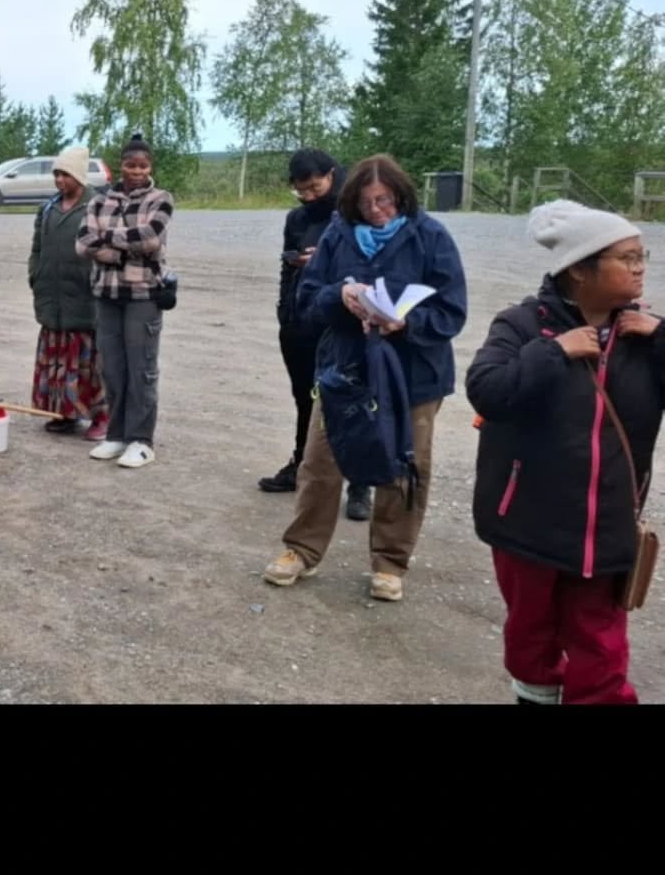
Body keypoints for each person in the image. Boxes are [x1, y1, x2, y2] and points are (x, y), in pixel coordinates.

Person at [467, 200, 661, 704]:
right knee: (532, 639)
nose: (641, 268)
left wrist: (663, 339)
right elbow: (487, 390)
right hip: (528, 524)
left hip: (608, 528)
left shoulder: (645, 337)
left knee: (602, 648)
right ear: (579, 268)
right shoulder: (522, 325)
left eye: (642, 256)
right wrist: (554, 352)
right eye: (627, 258)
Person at [262, 154, 468, 601]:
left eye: (385, 200)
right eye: (367, 201)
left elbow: (452, 311)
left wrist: (405, 323)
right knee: (320, 462)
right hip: (344, 368)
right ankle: (301, 549)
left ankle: (390, 562)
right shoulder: (339, 233)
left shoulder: (430, 235)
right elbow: (310, 299)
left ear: (402, 196)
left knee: (406, 466)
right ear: (352, 200)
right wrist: (343, 294)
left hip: (414, 374)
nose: (377, 210)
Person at [257, 149, 373, 520]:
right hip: (299, 322)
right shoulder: (296, 218)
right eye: (301, 189)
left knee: (349, 401)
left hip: (341, 326)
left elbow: (367, 270)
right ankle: (301, 464)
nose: (309, 195)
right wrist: (284, 313)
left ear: (332, 175)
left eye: (315, 186)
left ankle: (359, 482)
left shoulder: (356, 216)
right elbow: (286, 268)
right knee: (304, 399)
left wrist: (325, 262)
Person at [75, 131, 174, 469]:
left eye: (143, 166)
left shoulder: (161, 199)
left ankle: (141, 439)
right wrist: (118, 249)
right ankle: (116, 434)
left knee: (141, 369)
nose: (136, 171)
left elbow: (149, 239)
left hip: (143, 294)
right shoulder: (99, 200)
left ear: (150, 167)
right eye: (131, 165)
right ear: (121, 165)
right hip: (106, 294)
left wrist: (104, 240)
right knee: (113, 369)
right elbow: (82, 244)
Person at [28, 146, 109, 441]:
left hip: (85, 298)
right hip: (52, 296)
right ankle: (64, 413)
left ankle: (102, 416)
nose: (59, 180)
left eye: (65, 174)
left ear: (78, 176)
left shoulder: (97, 205)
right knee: (57, 360)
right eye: (56, 174)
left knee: (90, 363)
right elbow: (36, 247)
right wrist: (34, 274)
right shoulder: (48, 208)